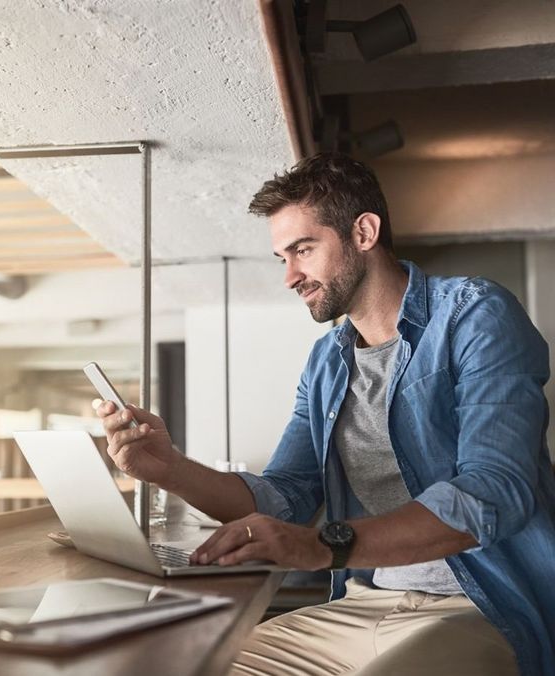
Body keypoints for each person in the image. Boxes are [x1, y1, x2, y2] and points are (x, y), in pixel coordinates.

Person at [97, 153, 555, 676]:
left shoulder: (475, 314)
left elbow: (495, 490)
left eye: (303, 250)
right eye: (282, 257)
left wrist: (322, 546)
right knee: (187, 665)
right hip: (362, 604)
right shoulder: (326, 362)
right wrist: (169, 468)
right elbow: (285, 498)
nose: (290, 275)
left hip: (481, 607)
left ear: (363, 232)